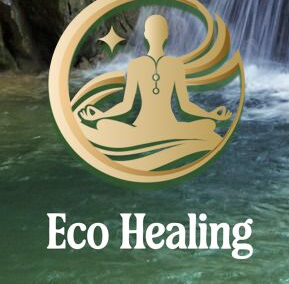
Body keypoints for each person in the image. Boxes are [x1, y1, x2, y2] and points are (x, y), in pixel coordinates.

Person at [74, 14, 231, 172]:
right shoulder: (174, 65)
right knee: (208, 126)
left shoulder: (137, 66)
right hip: (170, 128)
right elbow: (185, 107)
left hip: (142, 129)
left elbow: (126, 106)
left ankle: (145, 143)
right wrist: (211, 116)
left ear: (146, 35)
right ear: (165, 36)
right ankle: (171, 144)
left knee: (103, 125)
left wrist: (100, 116)